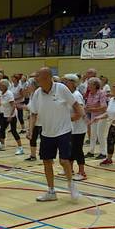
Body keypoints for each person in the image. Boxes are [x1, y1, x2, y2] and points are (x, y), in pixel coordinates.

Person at [30, 67, 82, 202]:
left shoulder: (61, 88)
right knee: (47, 161)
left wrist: (79, 115)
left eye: (38, 77)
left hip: (63, 130)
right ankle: (51, 191)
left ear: (47, 78)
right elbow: (33, 113)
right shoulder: (37, 93)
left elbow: (75, 104)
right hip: (47, 132)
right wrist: (30, 130)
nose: (36, 79)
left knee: (64, 161)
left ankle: (71, 186)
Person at [62, 74, 88, 181]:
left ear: (72, 82)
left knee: (78, 150)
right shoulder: (69, 94)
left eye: (66, 81)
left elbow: (80, 113)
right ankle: (70, 169)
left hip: (78, 128)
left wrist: (66, 119)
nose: (64, 84)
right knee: (71, 150)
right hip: (71, 128)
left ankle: (82, 172)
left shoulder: (76, 95)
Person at [0, 79, 24, 154]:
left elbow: (13, 106)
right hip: (4, 114)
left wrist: (11, 116)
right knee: (2, 130)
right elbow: (0, 103)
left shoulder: (9, 94)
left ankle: (20, 148)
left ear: (5, 86)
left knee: (13, 131)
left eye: (0, 85)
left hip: (12, 115)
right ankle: (2, 145)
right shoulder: (2, 93)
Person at [84, 77, 107, 159]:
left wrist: (92, 109)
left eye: (90, 84)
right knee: (93, 135)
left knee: (100, 134)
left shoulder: (102, 93)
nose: (88, 86)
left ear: (95, 85)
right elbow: (87, 105)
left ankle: (103, 152)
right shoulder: (90, 93)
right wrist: (86, 109)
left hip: (101, 117)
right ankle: (91, 151)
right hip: (93, 117)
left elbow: (104, 107)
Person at [25, 77, 42, 161]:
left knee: (44, 139)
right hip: (33, 120)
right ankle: (33, 155)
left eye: (29, 85)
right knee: (32, 138)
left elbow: (38, 109)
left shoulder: (39, 94)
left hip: (42, 121)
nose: (27, 87)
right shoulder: (32, 95)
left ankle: (46, 156)